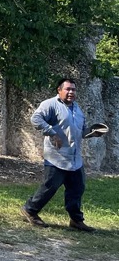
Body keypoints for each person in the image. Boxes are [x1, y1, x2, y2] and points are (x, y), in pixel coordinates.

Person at [20, 78, 95, 232]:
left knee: (77, 189)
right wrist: (52, 133)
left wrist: (93, 132)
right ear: (59, 90)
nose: (71, 92)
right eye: (67, 89)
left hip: (74, 159)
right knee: (50, 186)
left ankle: (76, 220)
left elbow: (80, 132)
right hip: (56, 157)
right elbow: (36, 119)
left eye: (73, 89)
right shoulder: (51, 105)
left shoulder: (78, 110)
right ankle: (30, 210)